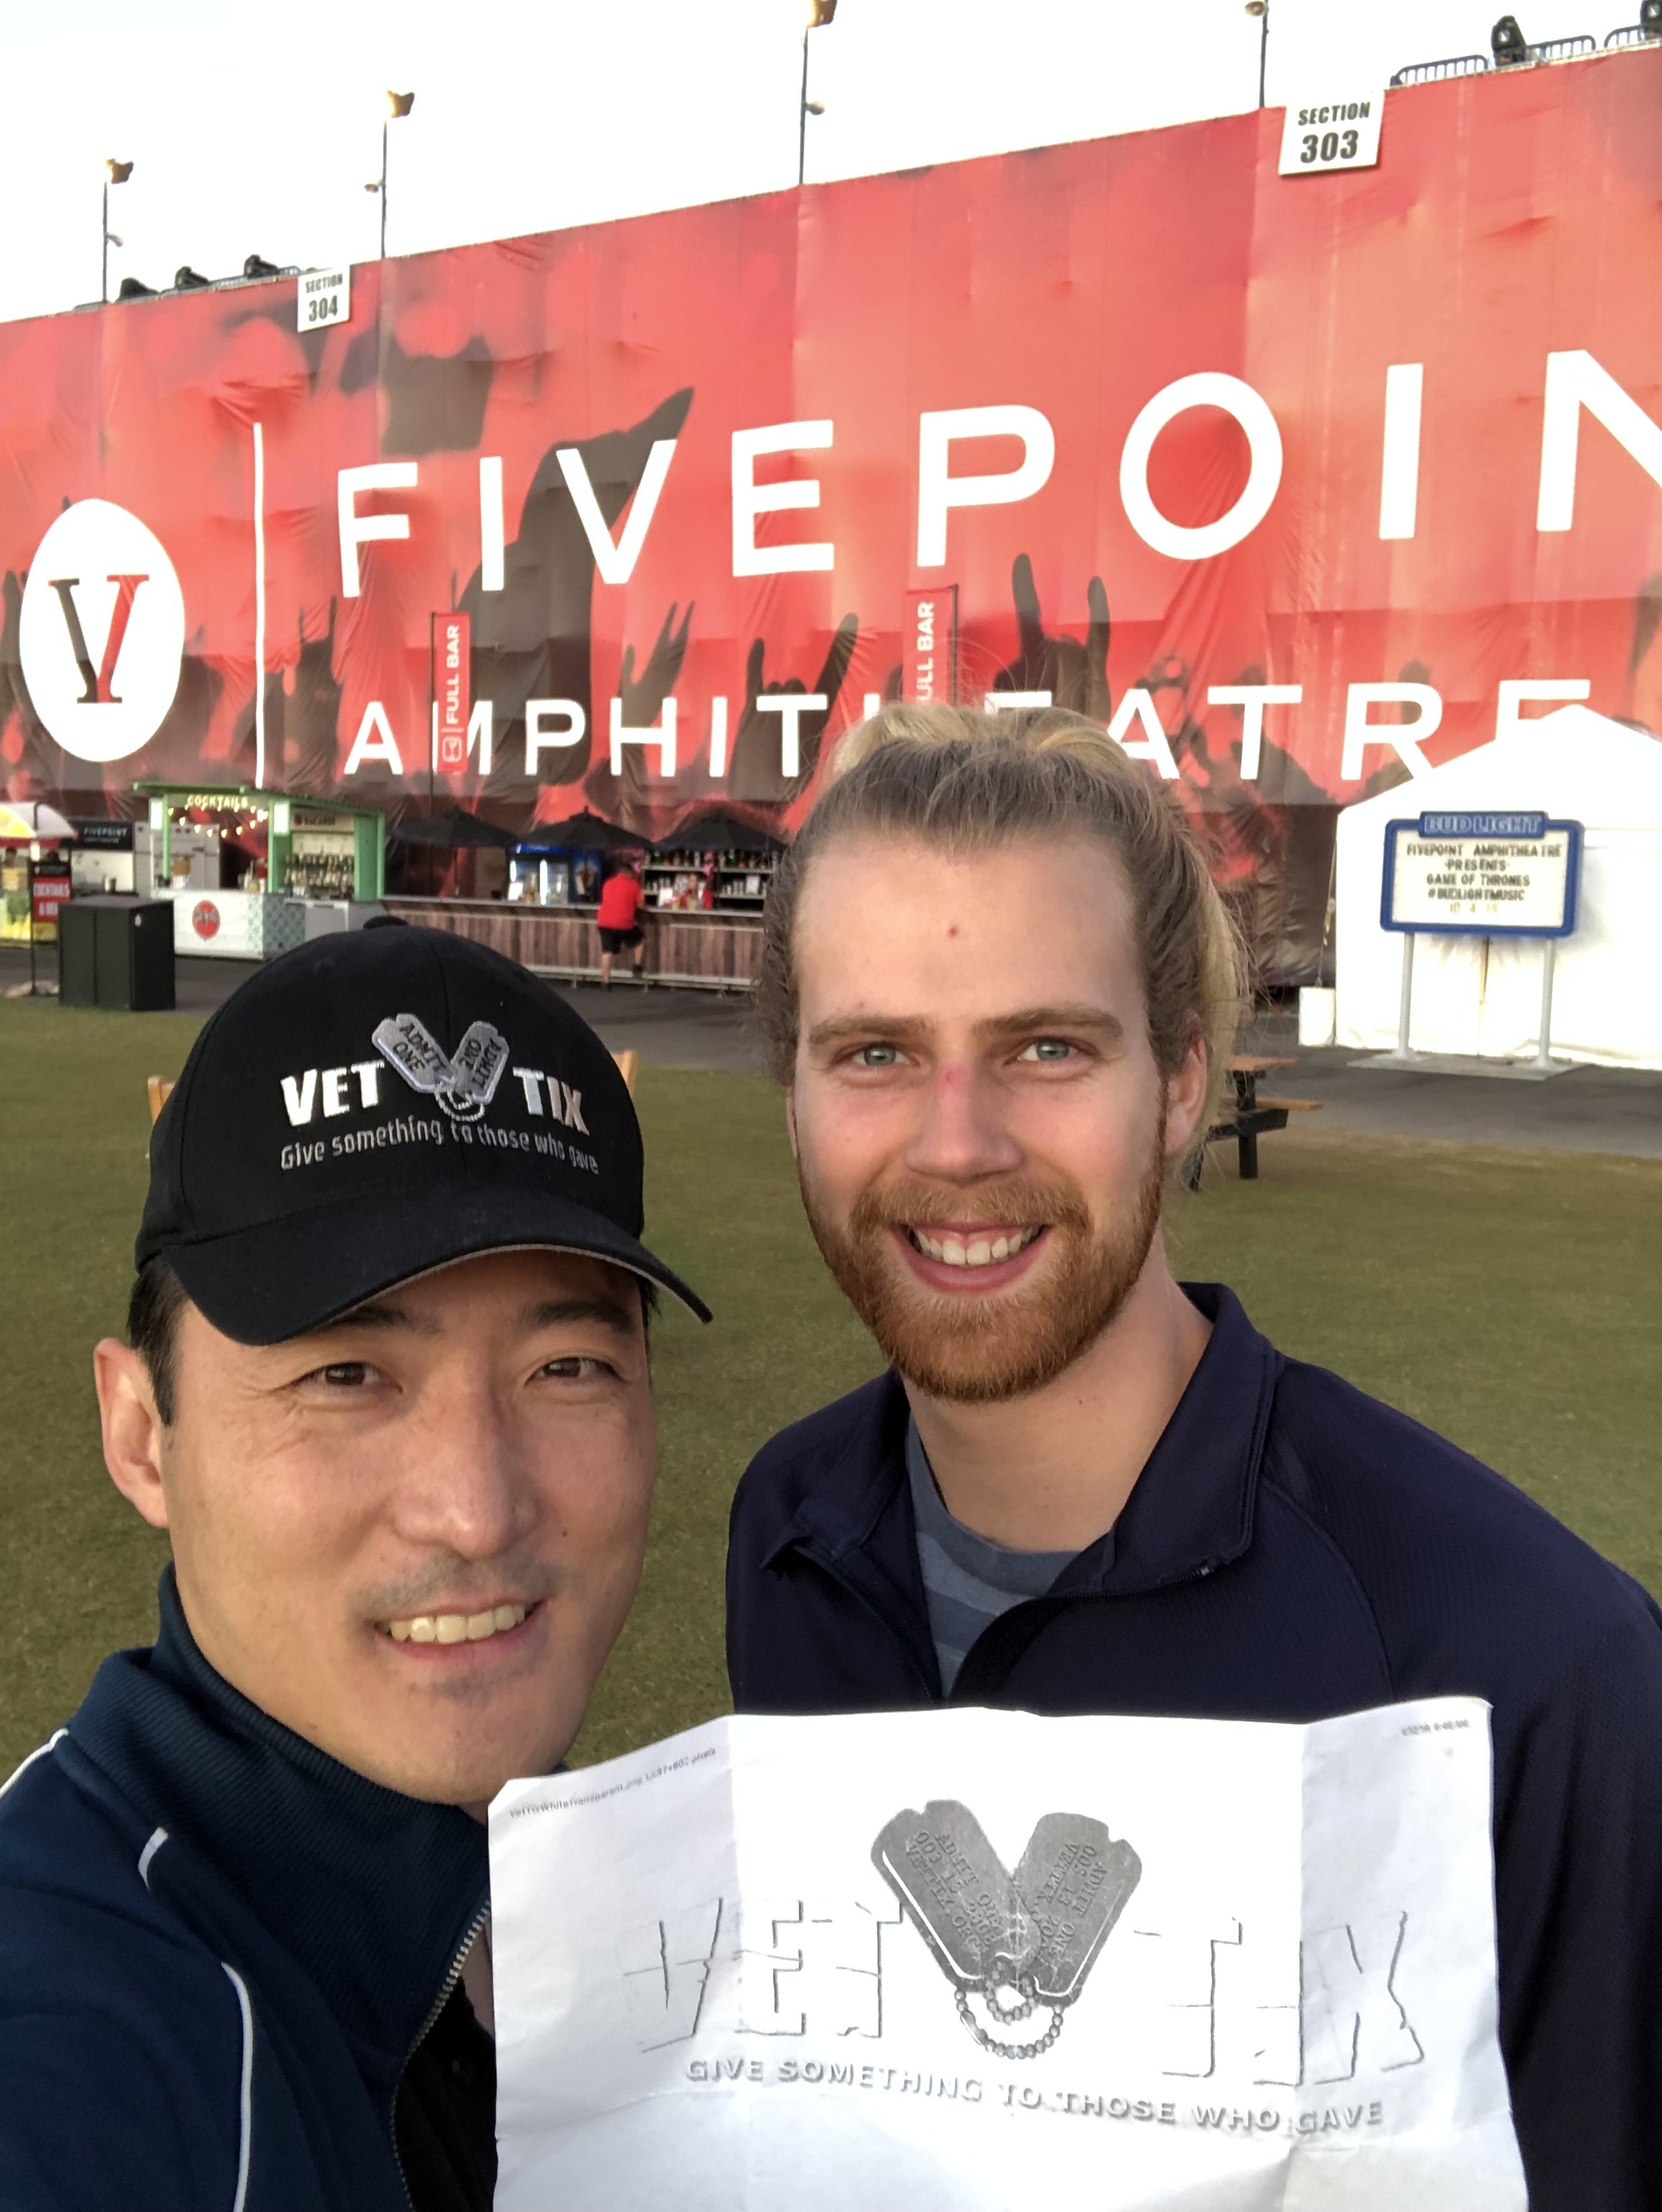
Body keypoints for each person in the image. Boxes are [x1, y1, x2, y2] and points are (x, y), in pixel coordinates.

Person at [725, 703, 1662, 2211]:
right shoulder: (787, 1529)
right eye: (876, 1051)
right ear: (794, 1092)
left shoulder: (1534, 1670)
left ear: (1176, 1081)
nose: (956, 1143)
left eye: (1045, 1045)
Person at [0, 924, 708, 2212]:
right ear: (141, 1433)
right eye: (344, 1375)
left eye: (568, 1367)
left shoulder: (635, 1911)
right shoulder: (71, 2033)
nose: (476, 1512)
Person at [595, 851, 646, 985]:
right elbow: (641, 906)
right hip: (623, 924)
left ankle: (606, 982)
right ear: (629, 873)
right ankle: (637, 967)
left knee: (607, 951)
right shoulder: (633, 885)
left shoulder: (608, 883)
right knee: (640, 940)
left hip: (604, 923)